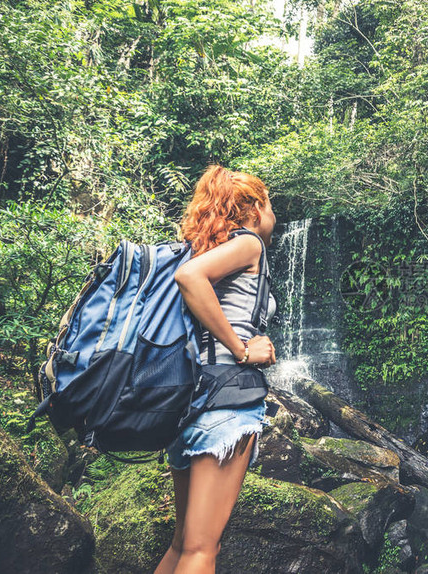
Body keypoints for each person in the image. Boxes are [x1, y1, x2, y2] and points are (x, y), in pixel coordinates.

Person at [155, 165, 278, 574]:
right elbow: (189, 278)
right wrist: (242, 350)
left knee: (183, 546)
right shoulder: (248, 244)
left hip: (191, 404)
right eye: (272, 204)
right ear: (256, 209)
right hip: (227, 402)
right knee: (202, 551)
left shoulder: (209, 248)